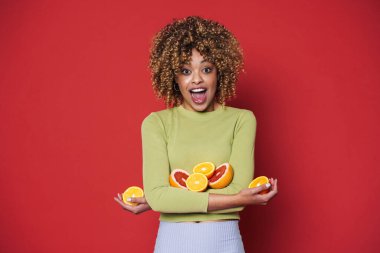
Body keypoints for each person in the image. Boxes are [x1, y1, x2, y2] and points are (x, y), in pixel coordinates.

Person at [114, 16, 278, 253]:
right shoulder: (156, 123)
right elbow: (160, 197)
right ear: (174, 77)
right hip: (172, 242)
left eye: (206, 69)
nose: (197, 78)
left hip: (225, 242)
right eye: (185, 70)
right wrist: (241, 199)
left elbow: (239, 186)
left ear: (219, 72)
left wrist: (171, 198)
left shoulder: (241, 120)